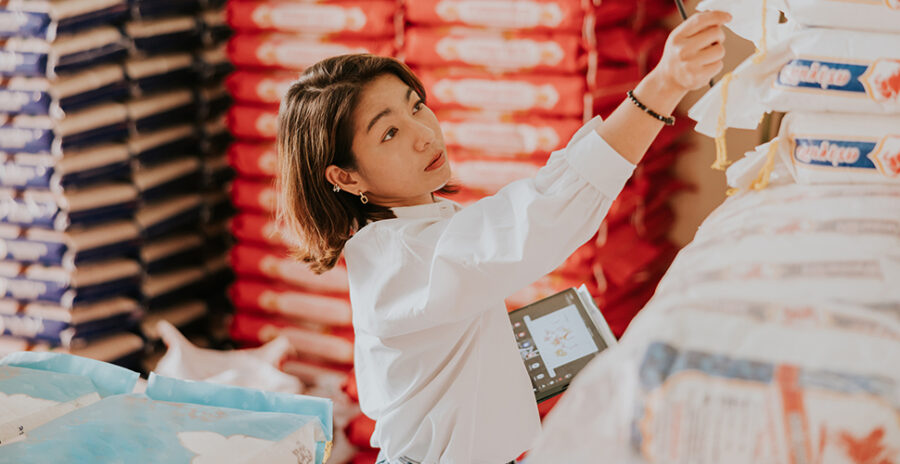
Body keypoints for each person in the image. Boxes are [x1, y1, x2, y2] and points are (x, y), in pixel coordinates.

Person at [275, 10, 731, 464]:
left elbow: (543, 199)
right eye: (389, 132)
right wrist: (665, 84)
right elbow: (543, 212)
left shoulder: (416, 229)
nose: (423, 134)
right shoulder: (407, 258)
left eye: (416, 105)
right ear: (346, 176)